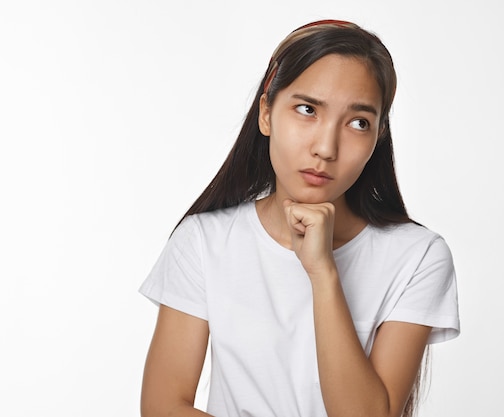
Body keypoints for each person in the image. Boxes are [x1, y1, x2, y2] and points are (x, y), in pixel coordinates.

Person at [139, 19, 460, 417]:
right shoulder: (205, 242)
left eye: (358, 122)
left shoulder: (418, 257)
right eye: (307, 109)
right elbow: (163, 407)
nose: (326, 148)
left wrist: (323, 272)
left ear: (377, 138)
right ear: (267, 113)